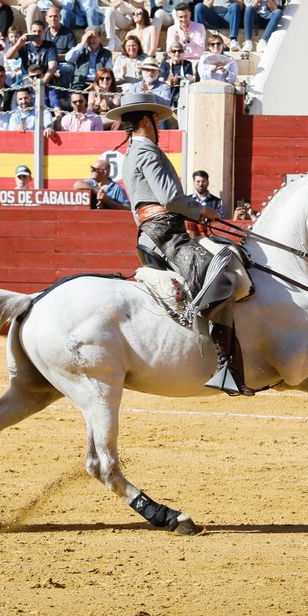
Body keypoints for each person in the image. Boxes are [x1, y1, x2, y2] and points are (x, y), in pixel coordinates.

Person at [108, 89, 250, 393]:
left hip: (156, 232)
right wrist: (202, 210)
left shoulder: (132, 152)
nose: (160, 125)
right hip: (165, 234)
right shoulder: (146, 151)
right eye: (157, 120)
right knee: (219, 277)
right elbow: (170, 197)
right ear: (147, 120)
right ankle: (225, 366)